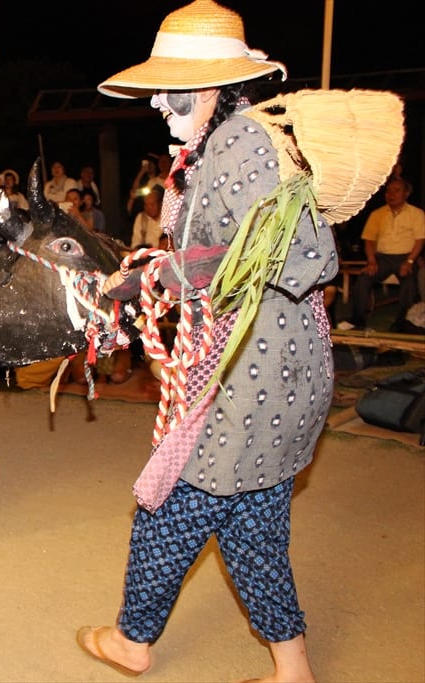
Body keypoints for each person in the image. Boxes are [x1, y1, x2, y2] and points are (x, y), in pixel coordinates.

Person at [83, 2, 344, 680]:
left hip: (256, 374)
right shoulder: (222, 145)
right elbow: (226, 251)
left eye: (169, 100)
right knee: (253, 518)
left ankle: (133, 640)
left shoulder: (241, 143)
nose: (162, 114)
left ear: (203, 92)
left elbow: (307, 255)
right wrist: (159, 274)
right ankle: (294, 667)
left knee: (172, 497)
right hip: (273, 370)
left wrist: (168, 274)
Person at [342, 176, 424, 330]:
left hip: (406, 256)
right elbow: (369, 240)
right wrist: (372, 261)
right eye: (389, 191)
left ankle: (402, 322)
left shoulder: (416, 213)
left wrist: (410, 261)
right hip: (383, 258)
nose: (391, 194)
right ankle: (358, 320)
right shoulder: (377, 214)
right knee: (364, 278)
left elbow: (420, 240)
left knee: (409, 279)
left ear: (406, 194)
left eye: (396, 191)